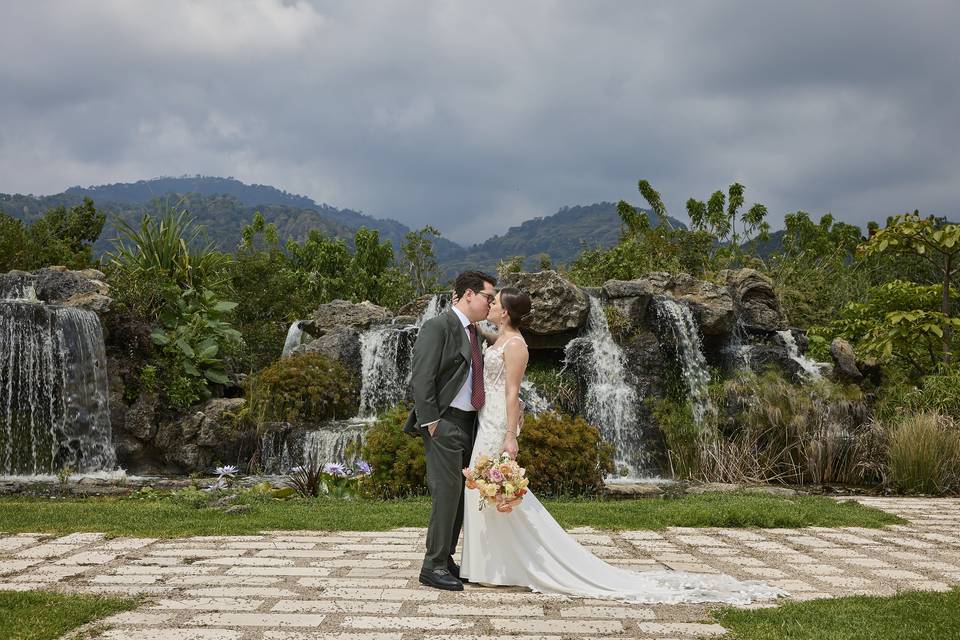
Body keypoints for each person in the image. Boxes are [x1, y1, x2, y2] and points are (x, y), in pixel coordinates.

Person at [459, 287, 785, 605]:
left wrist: (511, 435)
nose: (490, 305)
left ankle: (504, 566)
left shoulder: (516, 345)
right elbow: (491, 348)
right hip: (486, 418)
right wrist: (470, 325)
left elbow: (512, 392)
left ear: (506, 312)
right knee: (482, 488)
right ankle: (486, 564)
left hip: (498, 421)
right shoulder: (499, 338)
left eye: (496, 302)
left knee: (494, 488)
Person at [403, 270, 497, 591]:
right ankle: (432, 565)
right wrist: (431, 422)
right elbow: (422, 376)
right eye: (488, 297)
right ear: (468, 294)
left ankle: (445, 558)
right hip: (444, 424)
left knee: (460, 496)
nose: (491, 303)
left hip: (470, 424)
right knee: (447, 492)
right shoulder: (438, 326)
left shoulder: (474, 332)